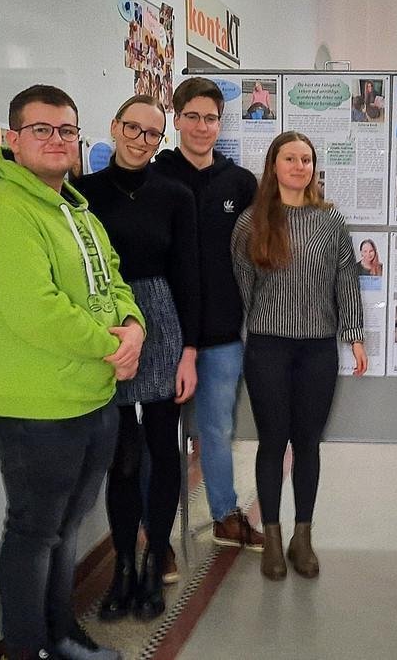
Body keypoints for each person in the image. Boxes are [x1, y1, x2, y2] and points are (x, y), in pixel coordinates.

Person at [0, 84, 145, 660]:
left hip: (91, 400)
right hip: (36, 410)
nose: (56, 140)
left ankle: (60, 636)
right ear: (12, 140)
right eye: (41, 129)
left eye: (67, 129)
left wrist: (134, 328)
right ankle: (27, 648)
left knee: (66, 530)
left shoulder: (77, 210)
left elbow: (114, 280)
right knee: (34, 534)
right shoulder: (3, 212)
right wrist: (112, 348)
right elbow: (35, 311)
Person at [73, 95, 199, 623]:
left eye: (152, 133)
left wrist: (189, 352)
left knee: (163, 449)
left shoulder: (175, 194)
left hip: (163, 319)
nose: (141, 140)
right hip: (108, 323)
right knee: (121, 455)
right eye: (133, 128)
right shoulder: (82, 193)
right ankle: (122, 565)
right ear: (115, 127)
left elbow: (191, 277)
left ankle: (154, 561)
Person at [231, 131, 367, 580]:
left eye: (306, 159)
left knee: (308, 443)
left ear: (314, 168)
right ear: (273, 165)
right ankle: (271, 536)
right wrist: (250, 334)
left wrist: (355, 335)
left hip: (318, 349)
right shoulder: (252, 222)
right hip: (268, 346)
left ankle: (301, 537)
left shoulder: (331, 221)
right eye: (290, 158)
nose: (299, 166)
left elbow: (346, 280)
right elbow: (243, 286)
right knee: (272, 442)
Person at [151, 78, 264, 555]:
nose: (202, 127)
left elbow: (260, 249)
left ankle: (224, 515)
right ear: (176, 119)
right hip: (161, 332)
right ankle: (157, 536)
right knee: (159, 438)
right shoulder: (154, 176)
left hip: (220, 334)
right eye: (192, 116)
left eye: (211, 118)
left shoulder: (239, 183)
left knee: (217, 430)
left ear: (222, 122)